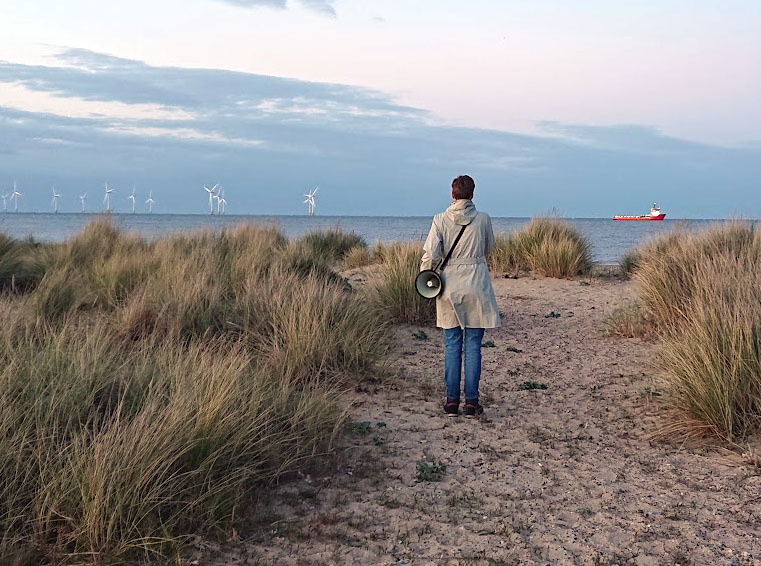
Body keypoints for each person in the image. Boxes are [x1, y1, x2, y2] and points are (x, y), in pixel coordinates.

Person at [420, 175, 500, 417]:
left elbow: (430, 254)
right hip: (477, 284)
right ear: (473, 195)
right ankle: (472, 402)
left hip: (449, 286)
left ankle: (452, 401)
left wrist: (425, 277)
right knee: (474, 345)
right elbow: (489, 248)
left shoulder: (440, 219)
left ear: (452, 195)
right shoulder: (483, 219)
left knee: (452, 344)